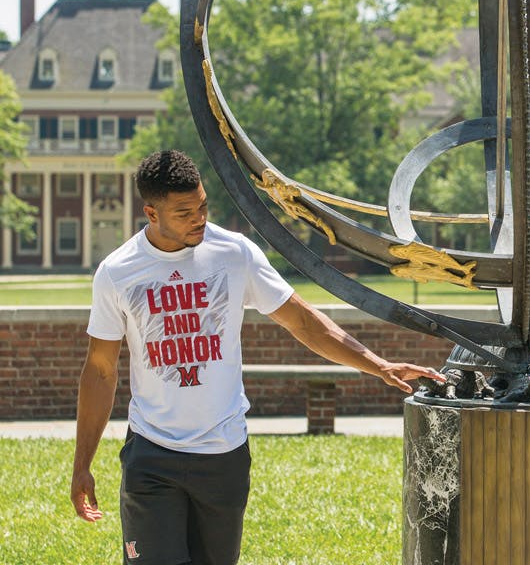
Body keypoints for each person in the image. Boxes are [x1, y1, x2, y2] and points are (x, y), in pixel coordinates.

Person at [71, 150, 445, 565]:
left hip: (224, 456)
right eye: (183, 213)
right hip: (153, 455)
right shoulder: (118, 271)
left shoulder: (234, 254)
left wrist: (378, 364)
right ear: (151, 213)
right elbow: (101, 372)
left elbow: (303, 322)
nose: (198, 218)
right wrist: (82, 464)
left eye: (203, 206)